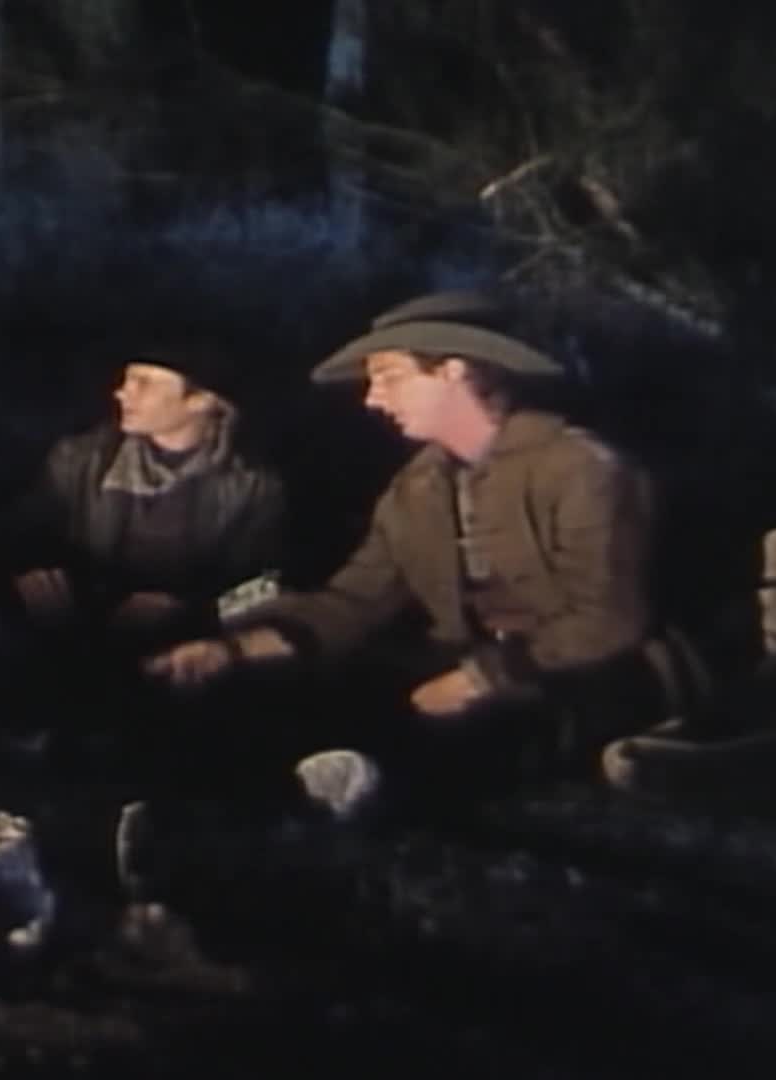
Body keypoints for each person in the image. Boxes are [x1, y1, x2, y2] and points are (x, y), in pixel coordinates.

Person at [141, 290, 696, 816]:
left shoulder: (582, 467)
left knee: (472, 725)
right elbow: (355, 601)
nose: (372, 398)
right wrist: (234, 650)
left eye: (389, 376)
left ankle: (356, 784)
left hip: (591, 675)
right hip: (470, 662)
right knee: (303, 689)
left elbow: (610, 618)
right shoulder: (417, 489)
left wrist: (482, 679)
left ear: (454, 370)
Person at [0, 344, 288, 743]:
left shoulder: (253, 486)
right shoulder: (82, 459)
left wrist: (188, 608)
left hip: (171, 640)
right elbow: (16, 530)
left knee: (217, 677)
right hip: (75, 623)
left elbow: (263, 587)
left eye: (143, 382)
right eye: (126, 379)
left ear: (201, 400)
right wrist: (26, 571)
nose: (122, 392)